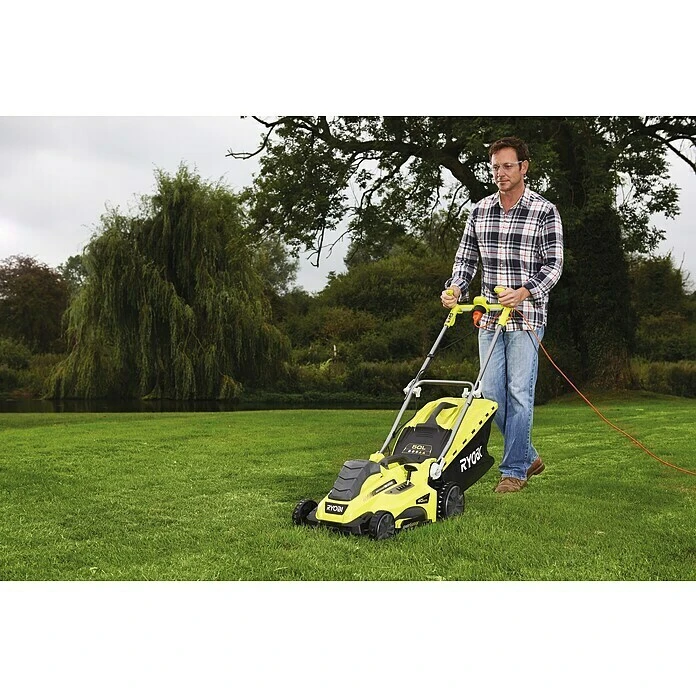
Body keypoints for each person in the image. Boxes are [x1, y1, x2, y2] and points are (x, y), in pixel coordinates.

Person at [441, 136, 564, 493]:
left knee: (519, 393)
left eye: (508, 166)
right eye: (495, 167)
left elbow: (553, 265)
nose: (500, 173)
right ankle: (529, 455)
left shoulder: (544, 211)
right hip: (490, 318)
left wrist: (524, 291)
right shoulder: (479, 211)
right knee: (491, 395)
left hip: (526, 317)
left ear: (524, 167)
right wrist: (456, 288)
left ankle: (514, 472)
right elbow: (465, 261)